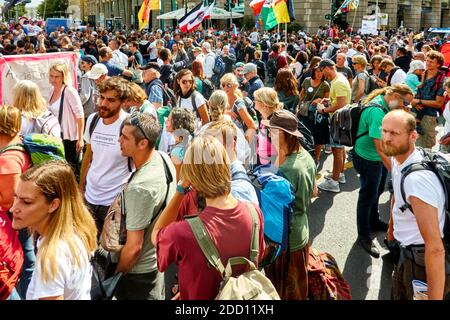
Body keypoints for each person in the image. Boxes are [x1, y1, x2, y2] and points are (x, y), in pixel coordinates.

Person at [151, 135, 265, 300]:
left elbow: (157, 234)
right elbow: (255, 259)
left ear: (193, 180)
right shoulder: (254, 213)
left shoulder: (183, 233)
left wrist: (181, 188)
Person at [382, 110, 450, 300]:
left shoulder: (417, 181)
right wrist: (391, 231)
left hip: (420, 261)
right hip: (405, 252)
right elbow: (397, 196)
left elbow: (435, 248)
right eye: (384, 131)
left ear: (413, 136)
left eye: (394, 133)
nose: (386, 138)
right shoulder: (398, 158)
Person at [10, 161, 97, 300]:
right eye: (16, 198)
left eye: (26, 202)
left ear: (53, 205)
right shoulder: (77, 229)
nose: (13, 208)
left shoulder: (52, 256)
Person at [113, 112, 176, 300]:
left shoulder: (140, 187)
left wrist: (114, 275)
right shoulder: (164, 159)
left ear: (142, 144)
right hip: (156, 264)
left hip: (138, 276)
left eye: (125, 137)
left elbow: (134, 247)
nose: (119, 140)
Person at [352, 84, 414, 257]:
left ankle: (374, 220)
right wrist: (397, 173)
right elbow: (380, 148)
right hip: (368, 158)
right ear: (393, 95)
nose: (405, 107)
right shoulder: (378, 112)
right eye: (404, 102)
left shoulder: (386, 106)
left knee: (377, 190)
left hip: (376, 158)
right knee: (368, 195)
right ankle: (363, 234)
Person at [262, 110, 317, 299]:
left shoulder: (286, 170)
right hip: (302, 231)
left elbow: (272, 213)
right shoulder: (306, 156)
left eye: (272, 131)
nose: (269, 134)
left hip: (286, 242)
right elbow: (315, 191)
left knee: (282, 292)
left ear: (282, 134)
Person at [80, 76, 132, 235]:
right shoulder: (93, 121)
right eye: (102, 97)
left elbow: (139, 164)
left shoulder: (129, 125)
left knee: (110, 251)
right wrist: (81, 188)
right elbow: (88, 156)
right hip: (90, 197)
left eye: (110, 100)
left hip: (114, 202)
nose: (103, 103)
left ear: (123, 102)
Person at [0, 105, 32, 300]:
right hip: (22, 217)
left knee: (25, 262)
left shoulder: (8, 159)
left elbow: (8, 200)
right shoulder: (18, 144)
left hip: (14, 221)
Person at [316, 59, 351, 193]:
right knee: (340, 149)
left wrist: (324, 110)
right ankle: (339, 174)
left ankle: (334, 182)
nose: (321, 73)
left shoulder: (339, 82)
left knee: (337, 151)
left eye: (321, 70)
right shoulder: (339, 79)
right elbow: (338, 100)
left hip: (338, 120)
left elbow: (341, 104)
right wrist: (328, 101)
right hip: (339, 119)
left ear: (327, 68)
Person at [47, 63, 84, 171]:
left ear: (64, 76)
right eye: (51, 76)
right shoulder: (51, 90)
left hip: (69, 137)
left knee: (69, 169)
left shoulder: (69, 91)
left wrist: (80, 139)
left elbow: (80, 115)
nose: (54, 79)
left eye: (57, 76)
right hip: (55, 135)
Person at [410, 50, 446, 149]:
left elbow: (438, 103)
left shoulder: (442, 80)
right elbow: (417, 91)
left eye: (431, 62)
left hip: (428, 116)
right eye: (427, 60)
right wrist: (414, 102)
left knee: (425, 147)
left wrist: (419, 101)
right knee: (411, 143)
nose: (427, 63)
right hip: (415, 113)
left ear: (438, 64)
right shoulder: (423, 74)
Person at [298, 65, 330, 164]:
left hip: (318, 115)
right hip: (305, 113)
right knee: (305, 135)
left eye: (321, 72)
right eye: (317, 72)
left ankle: (316, 158)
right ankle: (306, 156)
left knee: (317, 137)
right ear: (313, 72)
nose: (319, 74)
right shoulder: (307, 80)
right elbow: (302, 94)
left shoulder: (325, 85)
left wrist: (320, 100)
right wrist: (299, 107)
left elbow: (327, 101)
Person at [221, 73, 257, 144]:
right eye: (223, 85)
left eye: (228, 85)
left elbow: (252, 126)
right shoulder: (222, 99)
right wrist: (226, 112)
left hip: (238, 141)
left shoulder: (239, 104)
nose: (225, 87)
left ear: (235, 86)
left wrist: (244, 144)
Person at [254, 87, 283, 165]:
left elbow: (280, 150)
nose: (254, 101)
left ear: (264, 104)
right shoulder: (264, 117)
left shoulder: (274, 123)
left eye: (256, 99)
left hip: (269, 165)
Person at [166, 107, 195, 180]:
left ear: (176, 124)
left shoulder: (177, 152)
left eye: (169, 120)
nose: (166, 121)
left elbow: (177, 181)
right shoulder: (190, 139)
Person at [79, 55, 99, 121]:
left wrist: (76, 105)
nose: (81, 65)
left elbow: (85, 95)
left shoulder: (86, 76)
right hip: (96, 109)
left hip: (88, 111)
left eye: (83, 63)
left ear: (90, 64)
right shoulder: (97, 74)